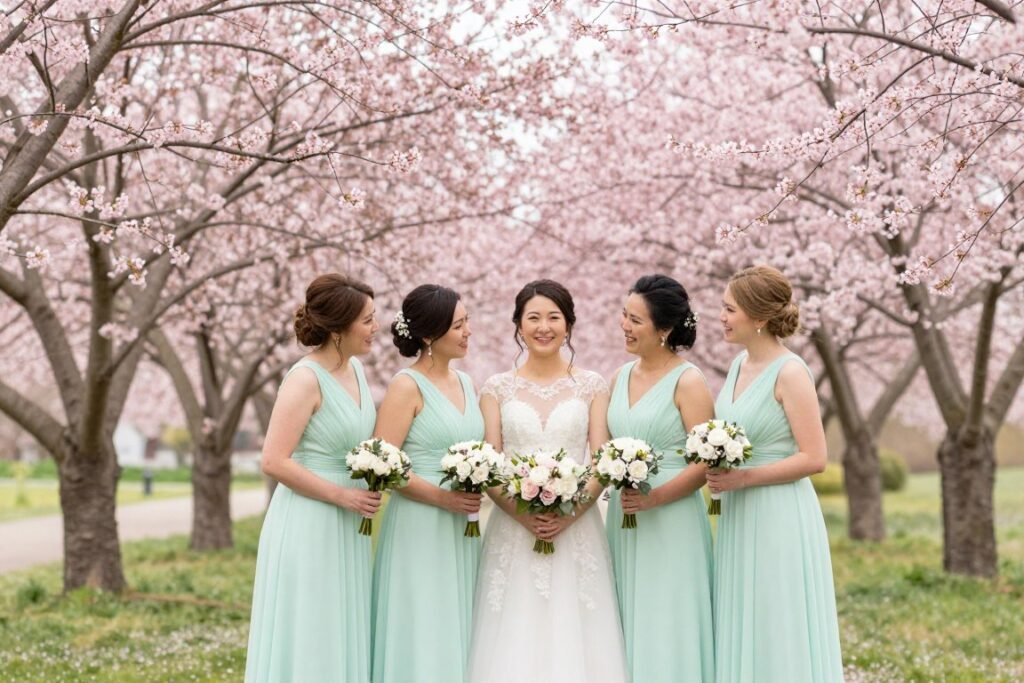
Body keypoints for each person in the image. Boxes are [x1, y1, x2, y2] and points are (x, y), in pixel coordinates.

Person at [468, 279, 629, 683]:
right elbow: (489, 465)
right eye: (533, 318)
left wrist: (571, 513)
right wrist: (522, 514)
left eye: (554, 318)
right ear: (518, 325)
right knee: (513, 630)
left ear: (569, 324)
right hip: (513, 526)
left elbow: (602, 460)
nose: (544, 327)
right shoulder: (496, 389)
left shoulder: (592, 386)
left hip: (578, 527)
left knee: (578, 628)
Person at [707, 265, 843, 682]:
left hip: (779, 513)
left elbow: (814, 457)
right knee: (747, 615)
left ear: (760, 317)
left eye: (730, 309)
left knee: (777, 617)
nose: (722, 317)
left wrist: (744, 478)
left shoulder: (791, 372)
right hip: (739, 513)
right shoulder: (737, 365)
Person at [246, 273, 381, 683]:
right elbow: (273, 460)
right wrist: (341, 496)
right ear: (339, 328)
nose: (376, 327)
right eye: (367, 320)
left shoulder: (356, 370)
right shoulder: (304, 379)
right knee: (313, 625)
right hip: (310, 519)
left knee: (339, 624)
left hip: (350, 520)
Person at [371, 284, 485, 683]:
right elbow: (382, 463)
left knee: (458, 619)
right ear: (429, 335)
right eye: (458, 325)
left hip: (463, 526)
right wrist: (443, 498)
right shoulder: (407, 386)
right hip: (419, 524)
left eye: (467, 322)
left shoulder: (467, 383)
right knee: (423, 621)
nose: (468, 332)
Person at [606, 274, 715, 682]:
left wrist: (656, 497)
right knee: (626, 611)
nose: (624, 326)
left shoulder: (688, 381)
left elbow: (705, 462)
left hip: (672, 518)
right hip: (624, 516)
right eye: (624, 315)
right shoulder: (619, 377)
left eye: (635, 320)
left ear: (664, 329)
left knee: (668, 617)